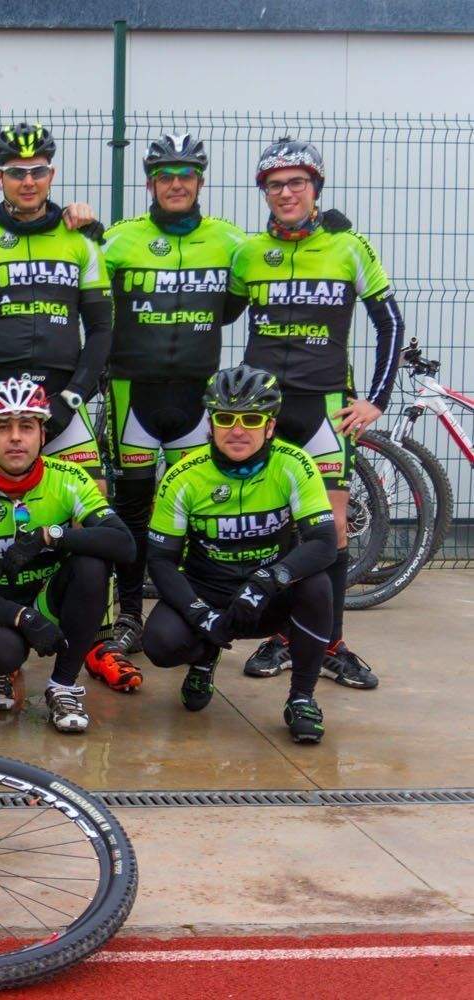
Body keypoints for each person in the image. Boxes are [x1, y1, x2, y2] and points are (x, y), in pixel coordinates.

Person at [228, 137, 405, 691]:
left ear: (315, 188)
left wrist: (376, 398)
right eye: (275, 185)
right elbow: (208, 314)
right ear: (264, 193)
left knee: (329, 531)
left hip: (327, 404)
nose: (285, 193)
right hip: (263, 411)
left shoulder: (349, 246)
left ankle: (330, 643)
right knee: (276, 527)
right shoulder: (247, 252)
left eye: (296, 183)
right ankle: (283, 636)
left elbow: (391, 326)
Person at [99, 133, 246, 677]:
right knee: (133, 512)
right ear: (150, 183)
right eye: (166, 175)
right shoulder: (118, 240)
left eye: (186, 174)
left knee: (196, 512)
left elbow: (247, 294)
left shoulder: (231, 241)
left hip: (197, 394)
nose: (177, 183)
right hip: (132, 391)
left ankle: (193, 609)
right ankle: (131, 614)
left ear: (200, 181)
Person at [141, 365, 337, 744]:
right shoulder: (183, 475)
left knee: (316, 585)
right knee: (160, 645)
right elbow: (161, 560)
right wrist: (199, 613)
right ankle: (204, 655)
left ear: (269, 426)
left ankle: (302, 698)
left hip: (268, 594)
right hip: (209, 591)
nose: (237, 429)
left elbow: (324, 542)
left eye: (251, 419)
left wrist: (269, 579)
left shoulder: (294, 464)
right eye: (225, 418)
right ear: (211, 424)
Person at [0, 378, 134, 735]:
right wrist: (21, 618)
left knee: (92, 563)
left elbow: (123, 544)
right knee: (0, 649)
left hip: (46, 598)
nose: (16, 438)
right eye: (3, 427)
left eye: (26, 427)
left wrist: (51, 536)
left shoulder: (69, 479)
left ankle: (63, 687)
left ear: (42, 435)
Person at [0, 123, 111, 479]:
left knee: (91, 494)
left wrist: (73, 397)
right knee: (2, 502)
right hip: (1, 389)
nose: (28, 182)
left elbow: (100, 328)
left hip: (63, 390)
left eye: (37, 171)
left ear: (50, 174)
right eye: (16, 173)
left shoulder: (80, 240)